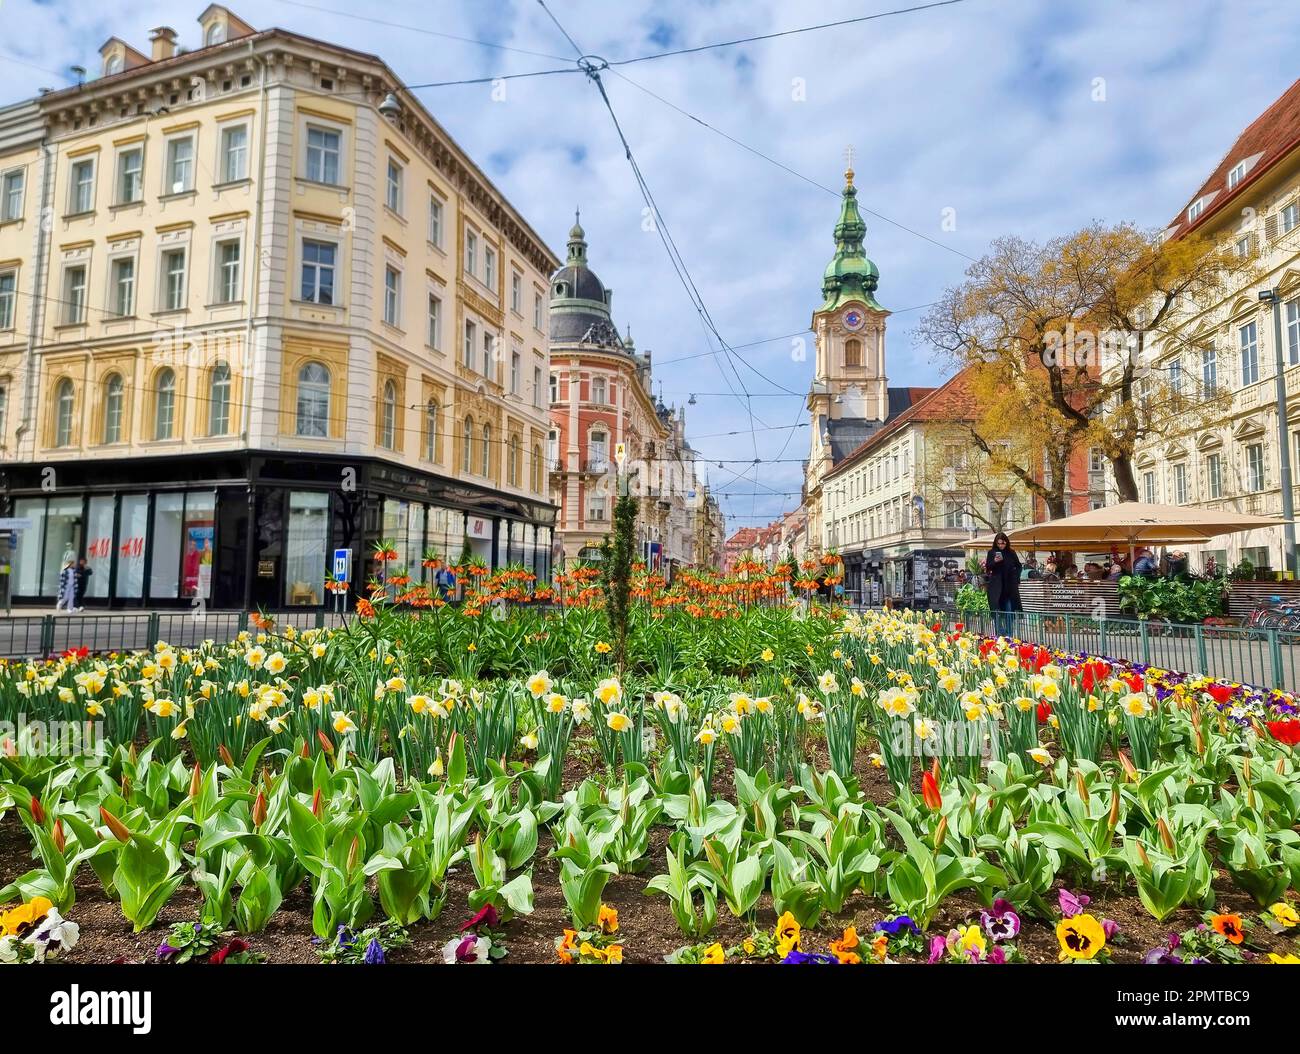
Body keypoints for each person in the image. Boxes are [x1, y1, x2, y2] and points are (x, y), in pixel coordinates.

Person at [983, 532, 1022, 636]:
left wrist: (1016, 578)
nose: (1001, 546)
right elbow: (988, 567)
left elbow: (1018, 566)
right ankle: (1000, 633)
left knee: (1009, 611)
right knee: (996, 611)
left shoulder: (1011, 553)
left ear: (1006, 543)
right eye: (999, 543)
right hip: (996, 587)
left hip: (1009, 587)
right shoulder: (992, 552)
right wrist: (995, 561)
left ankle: (1009, 634)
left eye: (1003, 543)